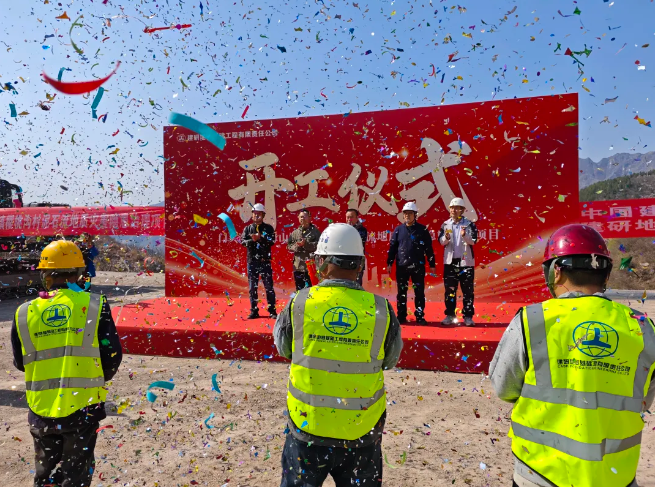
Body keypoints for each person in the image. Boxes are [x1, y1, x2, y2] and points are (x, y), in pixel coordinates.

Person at [489, 224, 655, 487]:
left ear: (556, 271)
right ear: (606, 274)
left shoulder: (533, 320)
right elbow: (643, 399)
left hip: (540, 474)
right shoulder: (642, 327)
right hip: (615, 476)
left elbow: (503, 387)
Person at [274, 223, 403, 487]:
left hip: (308, 427)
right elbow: (390, 360)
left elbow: (284, 349)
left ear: (321, 262)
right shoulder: (381, 309)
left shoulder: (300, 301)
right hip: (361, 429)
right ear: (360, 265)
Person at [10, 239, 122, 487]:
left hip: (40, 410)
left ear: (45, 275)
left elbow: (20, 362)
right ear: (80, 273)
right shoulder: (95, 304)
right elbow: (112, 356)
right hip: (82, 408)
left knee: (45, 476)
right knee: (76, 476)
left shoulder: (23, 312)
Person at [387, 202, 436, 324]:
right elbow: (393, 247)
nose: (407, 216)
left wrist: (432, 264)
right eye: (405, 213)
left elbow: (428, 248)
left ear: (415, 215)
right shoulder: (398, 230)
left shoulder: (422, 230)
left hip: (417, 267)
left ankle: (420, 316)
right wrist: (389, 263)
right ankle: (401, 316)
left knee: (419, 292)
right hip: (402, 266)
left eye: (410, 213)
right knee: (401, 292)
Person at [438, 197, 478, 327]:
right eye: (452, 208)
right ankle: (450, 315)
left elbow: (473, 241)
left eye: (456, 208)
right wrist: (446, 238)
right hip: (450, 263)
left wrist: (464, 235)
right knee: (450, 290)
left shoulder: (469, 224)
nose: (454, 210)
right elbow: (441, 241)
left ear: (462, 210)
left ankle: (468, 317)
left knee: (468, 291)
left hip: (466, 263)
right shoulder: (445, 224)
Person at [241, 203, 277, 319]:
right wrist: (252, 240)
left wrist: (260, 238)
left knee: (269, 287)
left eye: (259, 214)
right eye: (255, 213)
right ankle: (254, 311)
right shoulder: (247, 229)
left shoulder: (269, 228)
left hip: (265, 261)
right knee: (252, 288)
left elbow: (272, 241)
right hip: (252, 262)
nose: (256, 216)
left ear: (263, 215)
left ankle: (272, 311)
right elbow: (242, 242)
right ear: (252, 215)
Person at [287, 209, 321, 291]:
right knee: (299, 291)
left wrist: (305, 244)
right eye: (301, 217)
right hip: (298, 266)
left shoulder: (315, 232)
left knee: (311, 290)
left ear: (310, 218)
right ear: (298, 218)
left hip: (311, 266)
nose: (303, 219)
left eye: (305, 217)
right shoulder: (295, 233)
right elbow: (289, 246)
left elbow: (319, 246)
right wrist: (297, 246)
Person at [345, 208, 368, 286]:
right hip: (344, 262)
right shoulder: (343, 230)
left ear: (357, 218)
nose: (349, 219)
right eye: (347, 217)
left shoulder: (362, 230)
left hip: (357, 262)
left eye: (351, 217)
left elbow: (358, 241)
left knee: (356, 285)